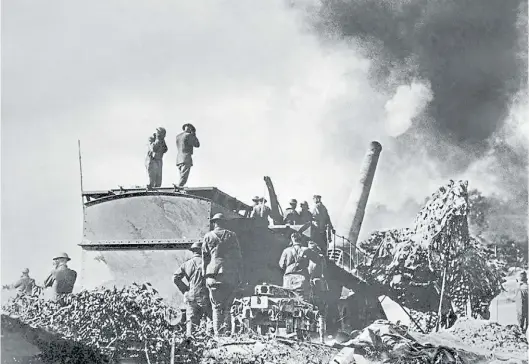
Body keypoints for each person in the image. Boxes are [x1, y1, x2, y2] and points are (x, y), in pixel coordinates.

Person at [202, 213, 243, 335]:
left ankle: (218, 335)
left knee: (216, 307)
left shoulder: (208, 236)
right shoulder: (231, 235)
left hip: (212, 275)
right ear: (224, 222)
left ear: (214, 223)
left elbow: (205, 257)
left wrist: (205, 274)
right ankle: (226, 333)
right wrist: (239, 275)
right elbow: (238, 257)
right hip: (229, 274)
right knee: (227, 307)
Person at [173, 241, 211, 336]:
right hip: (205, 295)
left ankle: (191, 345)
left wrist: (185, 290)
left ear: (193, 251)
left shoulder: (186, 264)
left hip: (191, 295)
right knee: (210, 320)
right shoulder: (208, 263)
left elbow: (175, 278)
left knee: (191, 323)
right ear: (202, 251)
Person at [306, 240, 329, 343]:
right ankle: (321, 339)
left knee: (307, 311)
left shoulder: (307, 259)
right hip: (320, 285)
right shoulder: (321, 258)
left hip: (308, 285)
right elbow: (324, 272)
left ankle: (308, 337)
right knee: (322, 313)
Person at [279, 232, 310, 300]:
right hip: (302, 278)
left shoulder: (286, 250)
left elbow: (281, 265)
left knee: (288, 300)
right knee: (303, 301)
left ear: (292, 239)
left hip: (288, 279)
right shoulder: (306, 250)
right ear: (301, 239)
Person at [176, 123, 200, 187]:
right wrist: (194, 135)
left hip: (179, 158)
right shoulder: (189, 135)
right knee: (184, 177)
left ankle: (179, 186)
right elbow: (197, 145)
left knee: (181, 175)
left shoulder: (178, 136)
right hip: (186, 158)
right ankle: (178, 187)